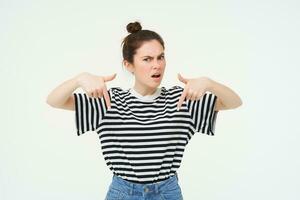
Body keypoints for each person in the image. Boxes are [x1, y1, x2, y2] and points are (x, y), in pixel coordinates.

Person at [46, 21, 242, 200]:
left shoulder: (180, 100)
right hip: (123, 193)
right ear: (129, 65)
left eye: (160, 57)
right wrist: (79, 79)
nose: (156, 65)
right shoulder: (109, 101)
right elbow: (54, 100)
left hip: (167, 193)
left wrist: (209, 83)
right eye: (147, 59)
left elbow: (234, 102)